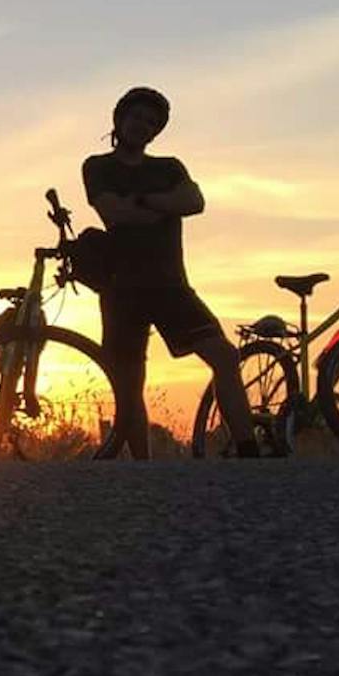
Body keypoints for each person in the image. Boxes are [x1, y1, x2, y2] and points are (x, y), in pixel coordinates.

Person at [82, 87, 259, 459]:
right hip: (121, 287)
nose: (143, 127)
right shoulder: (98, 166)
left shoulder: (169, 167)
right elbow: (114, 213)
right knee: (128, 387)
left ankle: (249, 452)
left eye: (152, 122)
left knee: (224, 357)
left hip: (171, 285)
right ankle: (143, 469)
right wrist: (163, 206)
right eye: (137, 118)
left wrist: (143, 202)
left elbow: (194, 202)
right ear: (119, 118)